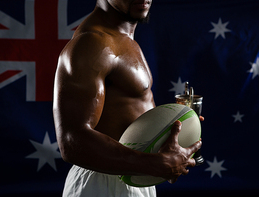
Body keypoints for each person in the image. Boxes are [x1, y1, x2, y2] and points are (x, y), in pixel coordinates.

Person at [53, 0, 202, 196]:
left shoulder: (123, 38)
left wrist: (175, 129)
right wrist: (153, 164)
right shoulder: (92, 43)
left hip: (133, 176)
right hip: (103, 183)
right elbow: (72, 141)